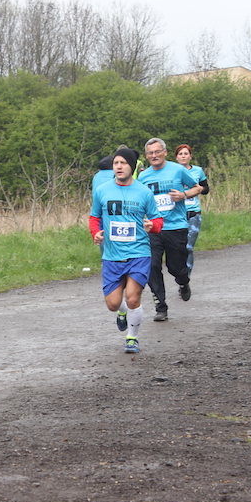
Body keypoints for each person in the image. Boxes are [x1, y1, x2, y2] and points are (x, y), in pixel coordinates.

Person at [90, 148, 163, 353]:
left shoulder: (144, 192)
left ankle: (132, 338)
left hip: (138, 253)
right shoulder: (102, 190)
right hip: (112, 255)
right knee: (113, 304)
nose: (119, 167)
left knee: (132, 297)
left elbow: (157, 220)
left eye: (123, 163)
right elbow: (94, 217)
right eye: (116, 163)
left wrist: (153, 226)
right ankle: (122, 312)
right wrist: (95, 233)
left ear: (131, 166)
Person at [137, 138, 203, 322]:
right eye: (150, 153)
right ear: (146, 156)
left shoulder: (178, 170)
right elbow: (140, 201)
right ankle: (161, 306)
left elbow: (197, 188)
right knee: (152, 266)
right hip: (153, 229)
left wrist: (183, 195)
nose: (154, 156)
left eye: (157, 152)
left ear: (165, 152)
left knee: (176, 267)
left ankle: (183, 281)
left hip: (176, 227)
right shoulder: (143, 177)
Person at [175, 144, 210, 273]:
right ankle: (179, 273)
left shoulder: (198, 171)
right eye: (180, 154)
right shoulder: (172, 172)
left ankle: (186, 277)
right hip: (177, 214)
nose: (183, 156)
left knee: (188, 247)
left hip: (193, 213)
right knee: (177, 249)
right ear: (176, 157)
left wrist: (198, 189)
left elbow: (206, 189)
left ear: (190, 156)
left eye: (186, 154)